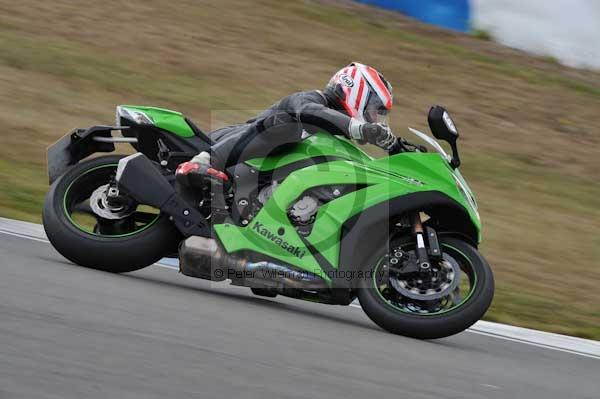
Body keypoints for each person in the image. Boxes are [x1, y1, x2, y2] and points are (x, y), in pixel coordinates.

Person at [176, 62, 400, 184]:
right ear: (356, 92)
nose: (375, 117)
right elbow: (310, 112)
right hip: (225, 144)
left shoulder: (337, 139)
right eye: (374, 109)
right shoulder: (310, 100)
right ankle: (205, 161)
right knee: (287, 126)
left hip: (255, 181)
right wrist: (359, 128)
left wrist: (395, 147)